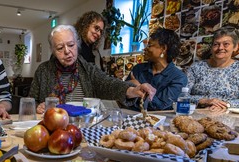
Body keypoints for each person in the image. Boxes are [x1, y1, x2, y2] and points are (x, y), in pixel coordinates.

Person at [28, 24, 156, 114]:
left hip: (82, 126)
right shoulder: (43, 70)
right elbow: (31, 102)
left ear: (77, 45)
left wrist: (133, 90)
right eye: (60, 48)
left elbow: (107, 84)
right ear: (53, 51)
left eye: (71, 45)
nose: (67, 51)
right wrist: (37, 107)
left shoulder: (88, 69)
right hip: (52, 126)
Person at [125, 27, 187, 111]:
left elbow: (160, 106)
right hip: (131, 117)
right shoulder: (138, 69)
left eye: (150, 45)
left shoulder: (178, 77)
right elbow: (123, 95)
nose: (145, 48)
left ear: (163, 49)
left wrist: (137, 86)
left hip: (159, 121)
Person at [186, 26, 239, 112]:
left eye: (226, 44)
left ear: (235, 47)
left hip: (230, 118)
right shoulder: (196, 68)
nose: (220, 48)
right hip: (197, 115)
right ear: (211, 48)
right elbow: (182, 95)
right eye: (216, 44)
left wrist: (225, 104)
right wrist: (205, 101)